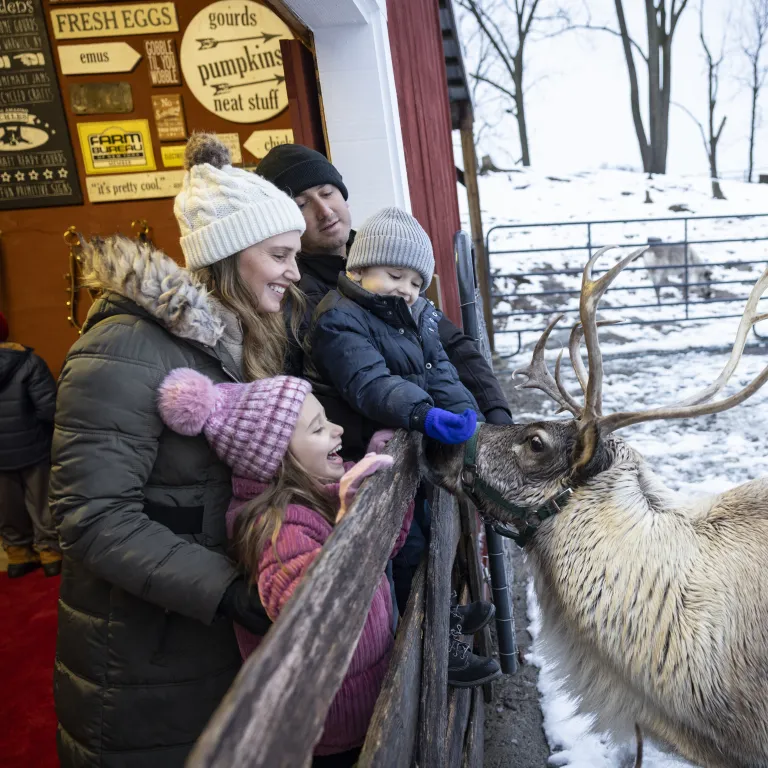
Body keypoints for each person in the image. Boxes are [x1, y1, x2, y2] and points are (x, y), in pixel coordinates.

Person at [49, 132, 307, 768]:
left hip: (200, 643)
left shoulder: (229, 341)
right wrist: (227, 592)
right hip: (145, 660)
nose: (295, 273)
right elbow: (91, 518)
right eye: (279, 255)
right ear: (229, 256)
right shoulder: (125, 348)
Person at [156, 369, 413, 768]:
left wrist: (384, 484)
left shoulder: (327, 488)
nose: (338, 429)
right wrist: (351, 524)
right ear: (277, 459)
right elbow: (313, 610)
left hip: (371, 688)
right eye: (318, 428)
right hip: (332, 723)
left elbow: (387, 548)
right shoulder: (277, 527)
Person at [305, 207, 501, 687]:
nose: (406, 290)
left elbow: (441, 370)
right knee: (407, 551)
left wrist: (465, 411)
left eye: (416, 282)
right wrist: (424, 414)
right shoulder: (339, 320)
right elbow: (371, 383)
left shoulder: (413, 315)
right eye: (395, 275)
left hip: (406, 454)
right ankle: (432, 650)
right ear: (359, 268)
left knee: (435, 535)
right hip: (367, 456)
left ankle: (443, 618)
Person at [256, 143, 514, 427]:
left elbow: (452, 344)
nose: (325, 211)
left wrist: (496, 411)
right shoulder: (293, 295)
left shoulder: (390, 256)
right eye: (302, 205)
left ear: (344, 196)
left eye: (328, 193)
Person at [0, 311, 61, 577]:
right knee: (41, 503)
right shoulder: (30, 362)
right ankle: (49, 554)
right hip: (33, 447)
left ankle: (17, 554)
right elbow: (49, 408)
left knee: (6, 505)